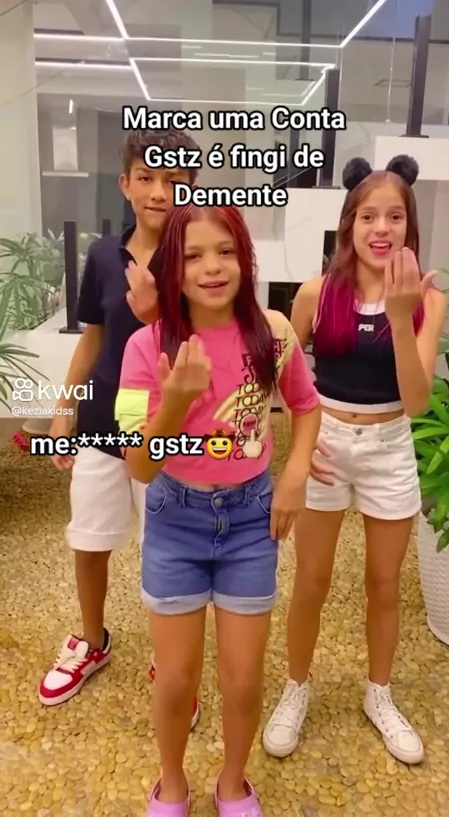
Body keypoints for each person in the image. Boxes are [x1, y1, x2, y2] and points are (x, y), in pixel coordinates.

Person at [114, 203, 321, 817]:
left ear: (245, 259)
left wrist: (295, 473)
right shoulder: (143, 347)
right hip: (174, 521)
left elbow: (306, 406)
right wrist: (176, 401)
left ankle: (234, 782)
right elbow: (138, 465)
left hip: (252, 522)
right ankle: (171, 783)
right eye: (194, 256)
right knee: (176, 678)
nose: (212, 267)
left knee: (243, 677)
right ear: (172, 271)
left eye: (226, 252)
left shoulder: (273, 334)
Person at [262, 155, 447, 766]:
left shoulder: (427, 300)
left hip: (391, 445)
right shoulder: (317, 292)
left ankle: (379, 694)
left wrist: (399, 317)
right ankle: (296, 688)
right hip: (327, 442)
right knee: (311, 580)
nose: (381, 228)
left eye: (394, 216)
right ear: (349, 223)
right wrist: (295, 452)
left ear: (410, 225)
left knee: (384, 584)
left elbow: (416, 401)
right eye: (368, 215)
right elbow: (284, 378)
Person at [38, 128, 200, 730]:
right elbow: (95, 337)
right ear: (126, 184)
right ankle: (91, 639)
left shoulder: (197, 258)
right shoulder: (105, 256)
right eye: (148, 178)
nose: (160, 192)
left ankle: (171, 661)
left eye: (174, 181)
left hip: (166, 431)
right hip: (104, 423)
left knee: (167, 549)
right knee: (90, 538)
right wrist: (65, 406)